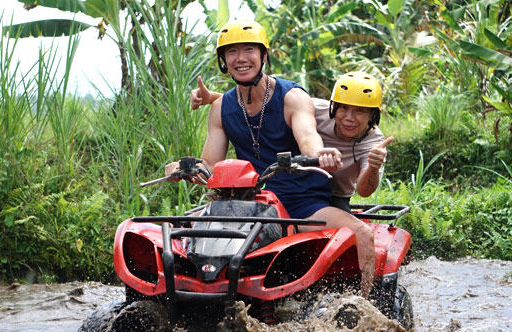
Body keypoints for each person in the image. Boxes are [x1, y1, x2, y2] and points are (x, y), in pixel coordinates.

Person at [168, 20, 378, 298]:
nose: (241, 58)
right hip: (247, 204)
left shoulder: (292, 97)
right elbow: (210, 165)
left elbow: (308, 137)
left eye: (249, 50)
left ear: (264, 55)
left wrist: (320, 154)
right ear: (223, 60)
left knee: (362, 235)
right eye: (232, 52)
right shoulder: (220, 107)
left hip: (302, 202)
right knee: (174, 233)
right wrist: (182, 168)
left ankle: (370, 310)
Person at [191, 71, 395, 213]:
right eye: (343, 108)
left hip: (335, 195)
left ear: (372, 116)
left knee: (351, 237)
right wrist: (213, 99)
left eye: (360, 111)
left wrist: (374, 167)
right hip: (297, 186)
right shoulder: (318, 109)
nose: (349, 117)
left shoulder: (374, 143)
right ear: (334, 107)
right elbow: (270, 104)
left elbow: (364, 191)